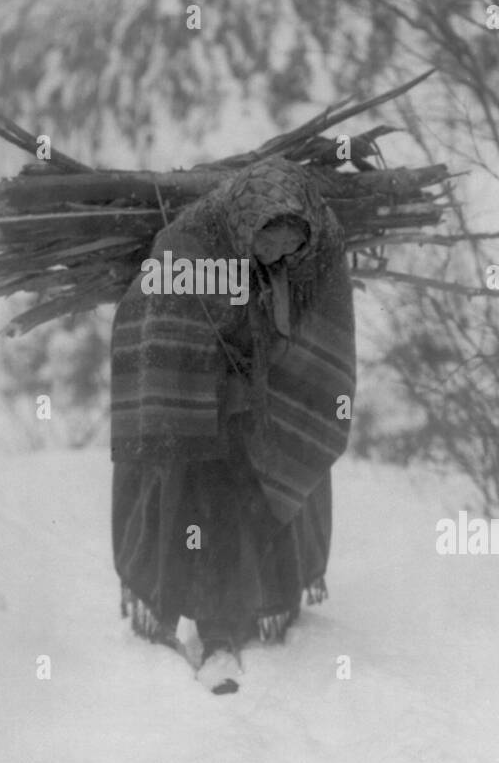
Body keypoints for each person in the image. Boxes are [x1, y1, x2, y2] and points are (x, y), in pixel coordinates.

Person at [110, 156, 356, 693]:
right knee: (199, 508)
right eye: (271, 243)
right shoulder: (188, 246)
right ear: (248, 225)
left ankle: (262, 609)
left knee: (266, 500)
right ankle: (203, 625)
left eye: (293, 246)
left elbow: (321, 327)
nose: (281, 255)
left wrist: (281, 379)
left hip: (267, 399)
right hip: (195, 397)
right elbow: (166, 340)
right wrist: (219, 385)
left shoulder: (320, 245)